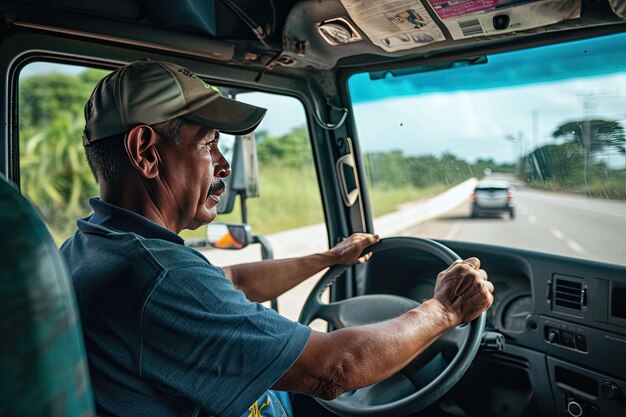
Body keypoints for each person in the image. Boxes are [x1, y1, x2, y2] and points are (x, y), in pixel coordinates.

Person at [61, 60, 494, 417]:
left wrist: (328, 258)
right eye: (209, 143)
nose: (223, 166)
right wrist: (445, 310)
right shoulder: (160, 276)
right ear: (146, 152)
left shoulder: (93, 246)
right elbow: (335, 370)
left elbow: (232, 283)